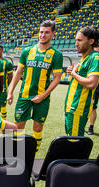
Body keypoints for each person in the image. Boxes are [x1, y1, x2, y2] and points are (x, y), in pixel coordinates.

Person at [7, 20, 63, 153]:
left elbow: (57, 78)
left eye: (47, 32)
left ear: (53, 34)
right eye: (41, 32)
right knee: (18, 126)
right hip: (24, 95)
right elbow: (18, 73)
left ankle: (33, 153)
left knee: (38, 128)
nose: (43, 35)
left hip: (42, 97)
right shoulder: (27, 51)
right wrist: (10, 92)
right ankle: (18, 153)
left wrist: (44, 95)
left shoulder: (56, 55)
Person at [64, 26, 99, 137]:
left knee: (74, 143)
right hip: (72, 106)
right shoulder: (84, 58)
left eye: (80, 40)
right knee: (70, 139)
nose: (76, 43)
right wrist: (72, 72)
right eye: (76, 40)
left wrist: (74, 74)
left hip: (78, 108)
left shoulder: (95, 57)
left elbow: (92, 83)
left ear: (91, 41)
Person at [0, 44, 13, 120]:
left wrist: (6, 85)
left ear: (1, 51)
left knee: (3, 107)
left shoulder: (7, 63)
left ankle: (3, 123)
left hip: (3, 89)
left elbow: (10, 76)